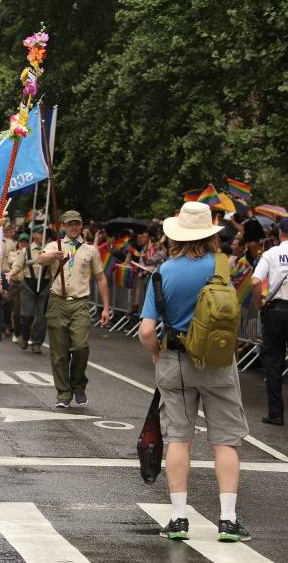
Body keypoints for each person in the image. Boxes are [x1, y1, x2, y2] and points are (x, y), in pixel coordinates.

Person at [139, 201, 251, 543]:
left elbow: (146, 330)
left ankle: (178, 518)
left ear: (177, 235)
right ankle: (229, 519)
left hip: (176, 361)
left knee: (179, 439)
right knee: (226, 441)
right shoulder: (222, 266)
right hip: (218, 362)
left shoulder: (163, 273)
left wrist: (157, 353)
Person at [39, 210, 111, 408]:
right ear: (62, 226)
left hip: (79, 303)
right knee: (59, 352)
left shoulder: (90, 250)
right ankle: (63, 392)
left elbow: (100, 278)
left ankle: (78, 384)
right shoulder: (54, 246)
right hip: (57, 302)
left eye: (77, 224)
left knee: (80, 346)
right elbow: (40, 259)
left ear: (81, 226)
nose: (73, 227)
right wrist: (53, 255)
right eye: (69, 224)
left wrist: (106, 307)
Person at [251, 217, 288, 426]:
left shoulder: (271, 254)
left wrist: (259, 304)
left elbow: (256, 281)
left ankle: (276, 413)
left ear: (280, 233)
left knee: (273, 363)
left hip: (275, 312)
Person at [11, 228, 49, 353]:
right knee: (26, 316)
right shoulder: (25, 251)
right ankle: (25, 336)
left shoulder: (50, 250)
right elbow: (18, 265)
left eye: (44, 233)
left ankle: (37, 343)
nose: (42, 235)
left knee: (41, 317)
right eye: (39, 233)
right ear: (34, 235)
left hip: (44, 285)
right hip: (28, 284)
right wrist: (10, 274)